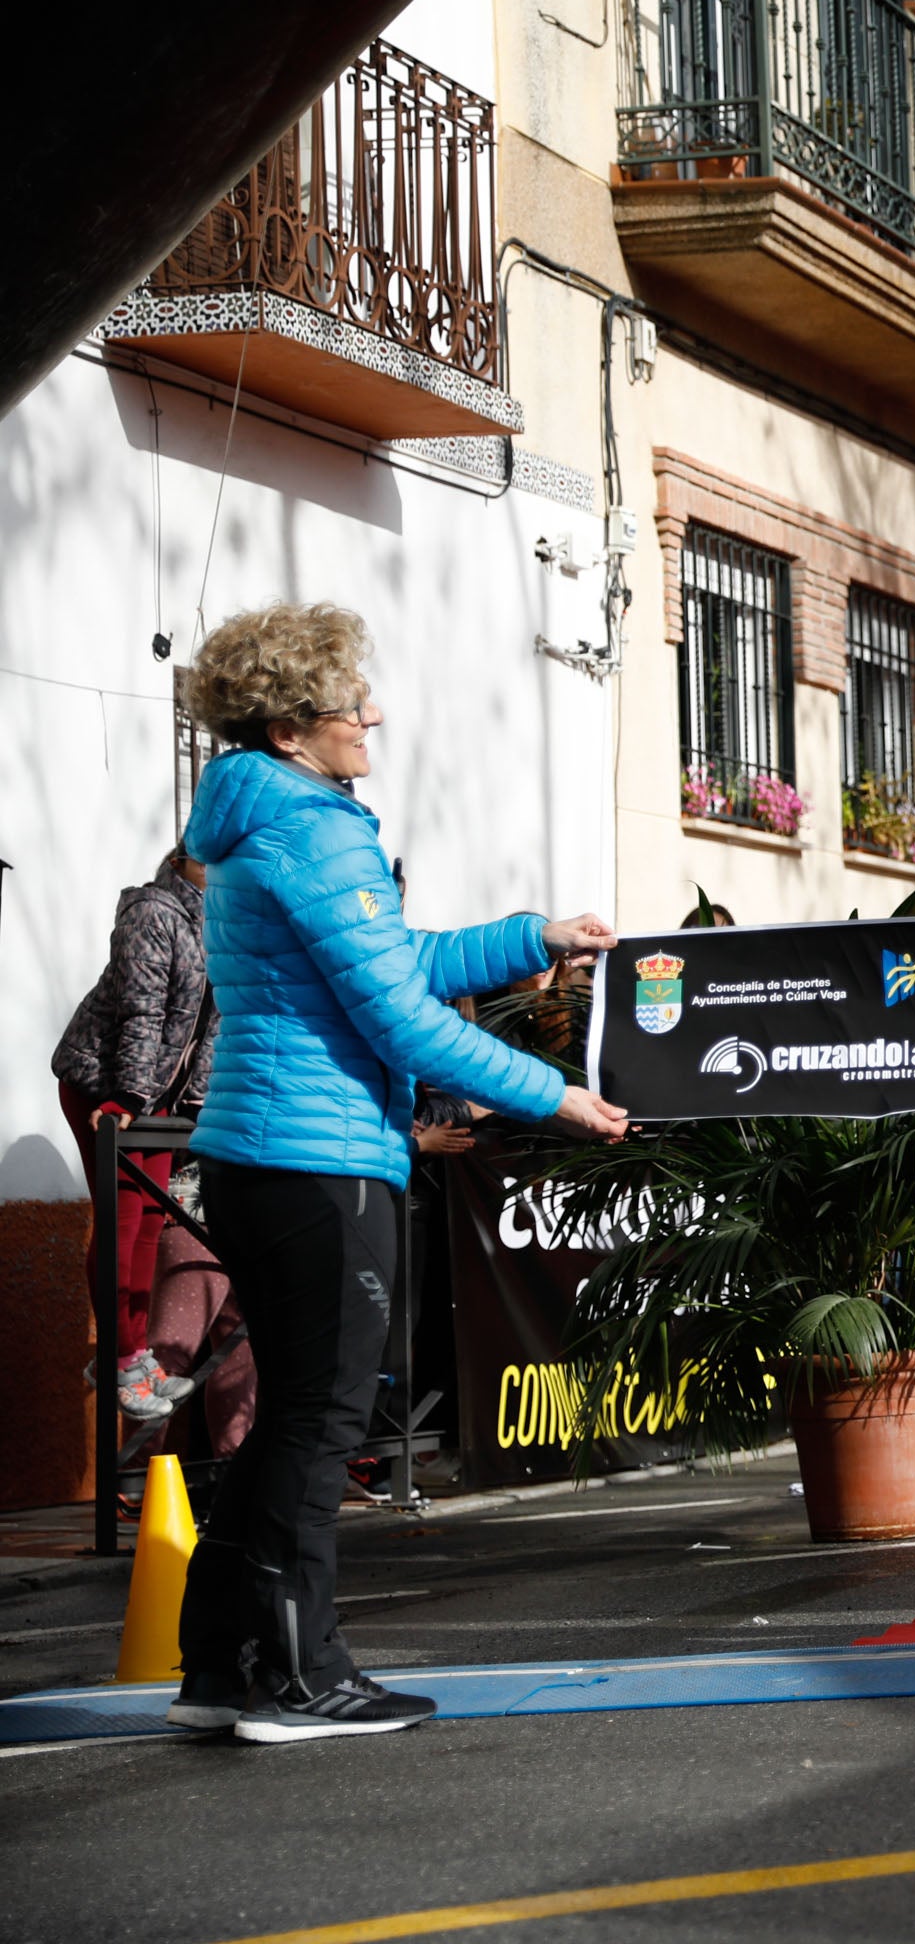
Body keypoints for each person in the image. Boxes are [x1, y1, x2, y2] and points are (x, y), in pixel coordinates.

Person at [169, 603, 629, 1744]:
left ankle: (226, 1666)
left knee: (294, 1417)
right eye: (348, 700)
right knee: (322, 1421)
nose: (371, 713)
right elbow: (402, 1017)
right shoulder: (314, 827)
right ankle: (299, 1677)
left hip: (271, 1152)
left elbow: (395, 956)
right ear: (287, 726)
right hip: (316, 1159)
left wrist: (535, 936)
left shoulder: (264, 820)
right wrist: (553, 1093)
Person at [53, 844, 218, 1421]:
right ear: (181, 862)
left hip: (155, 1101)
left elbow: (211, 1026)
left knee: (151, 1219)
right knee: (124, 1219)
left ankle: (134, 1352)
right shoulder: (155, 913)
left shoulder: (220, 922)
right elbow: (141, 1011)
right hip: (107, 1088)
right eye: (211, 858)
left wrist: (194, 1101)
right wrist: (126, 1094)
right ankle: (119, 1358)